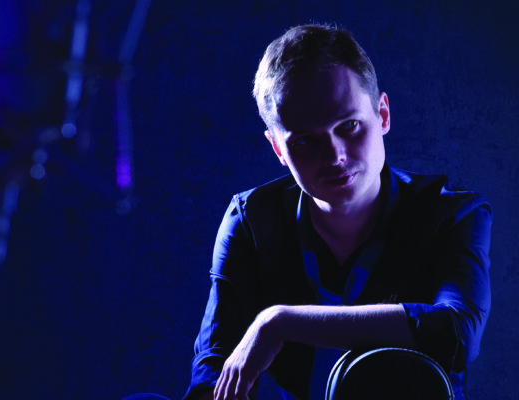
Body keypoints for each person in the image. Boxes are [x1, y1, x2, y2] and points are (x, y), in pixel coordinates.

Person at [183, 23, 492, 400]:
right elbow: (215, 365)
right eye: (305, 141)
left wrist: (280, 322)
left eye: (349, 126)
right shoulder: (252, 221)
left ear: (383, 115)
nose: (335, 156)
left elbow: (458, 333)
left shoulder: (451, 212)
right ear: (278, 150)